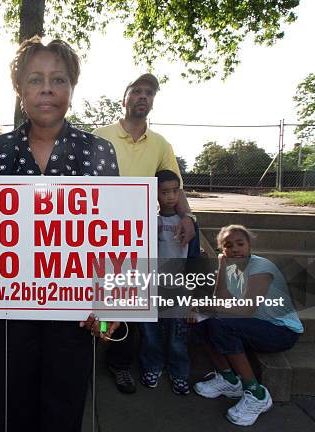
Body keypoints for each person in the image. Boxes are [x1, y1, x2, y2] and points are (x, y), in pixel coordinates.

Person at [0, 35, 119, 432]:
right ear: (20, 90)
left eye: (58, 79)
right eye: (35, 79)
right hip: (7, 310)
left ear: (72, 88)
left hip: (74, 313)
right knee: (6, 408)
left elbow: (113, 233)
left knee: (64, 408)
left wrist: (111, 307)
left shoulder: (99, 152)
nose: (47, 89)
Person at [93, 73, 197, 394]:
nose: (143, 96)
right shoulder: (100, 136)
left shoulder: (160, 144)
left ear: (152, 102)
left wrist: (189, 216)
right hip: (99, 228)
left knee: (128, 299)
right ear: (123, 100)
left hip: (138, 233)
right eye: (136, 91)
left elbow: (173, 186)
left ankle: (121, 362)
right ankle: (84, 355)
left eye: (149, 93)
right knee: (100, 296)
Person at [191, 224, 303, 426]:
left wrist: (205, 307)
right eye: (228, 246)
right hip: (253, 326)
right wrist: (222, 268)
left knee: (219, 322)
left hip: (280, 331)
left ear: (249, 245)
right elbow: (220, 299)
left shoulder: (261, 267)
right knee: (203, 321)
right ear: (222, 251)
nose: (235, 249)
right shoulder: (231, 268)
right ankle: (229, 380)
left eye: (240, 244)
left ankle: (257, 393)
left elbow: (247, 309)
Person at [137, 170, 199, 395]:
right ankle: (152, 367)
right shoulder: (150, 221)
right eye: (165, 192)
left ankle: (180, 372)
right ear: (155, 193)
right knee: (150, 332)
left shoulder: (191, 224)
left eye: (175, 191)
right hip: (152, 285)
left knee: (177, 335)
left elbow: (193, 259)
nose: (171, 196)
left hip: (179, 287)